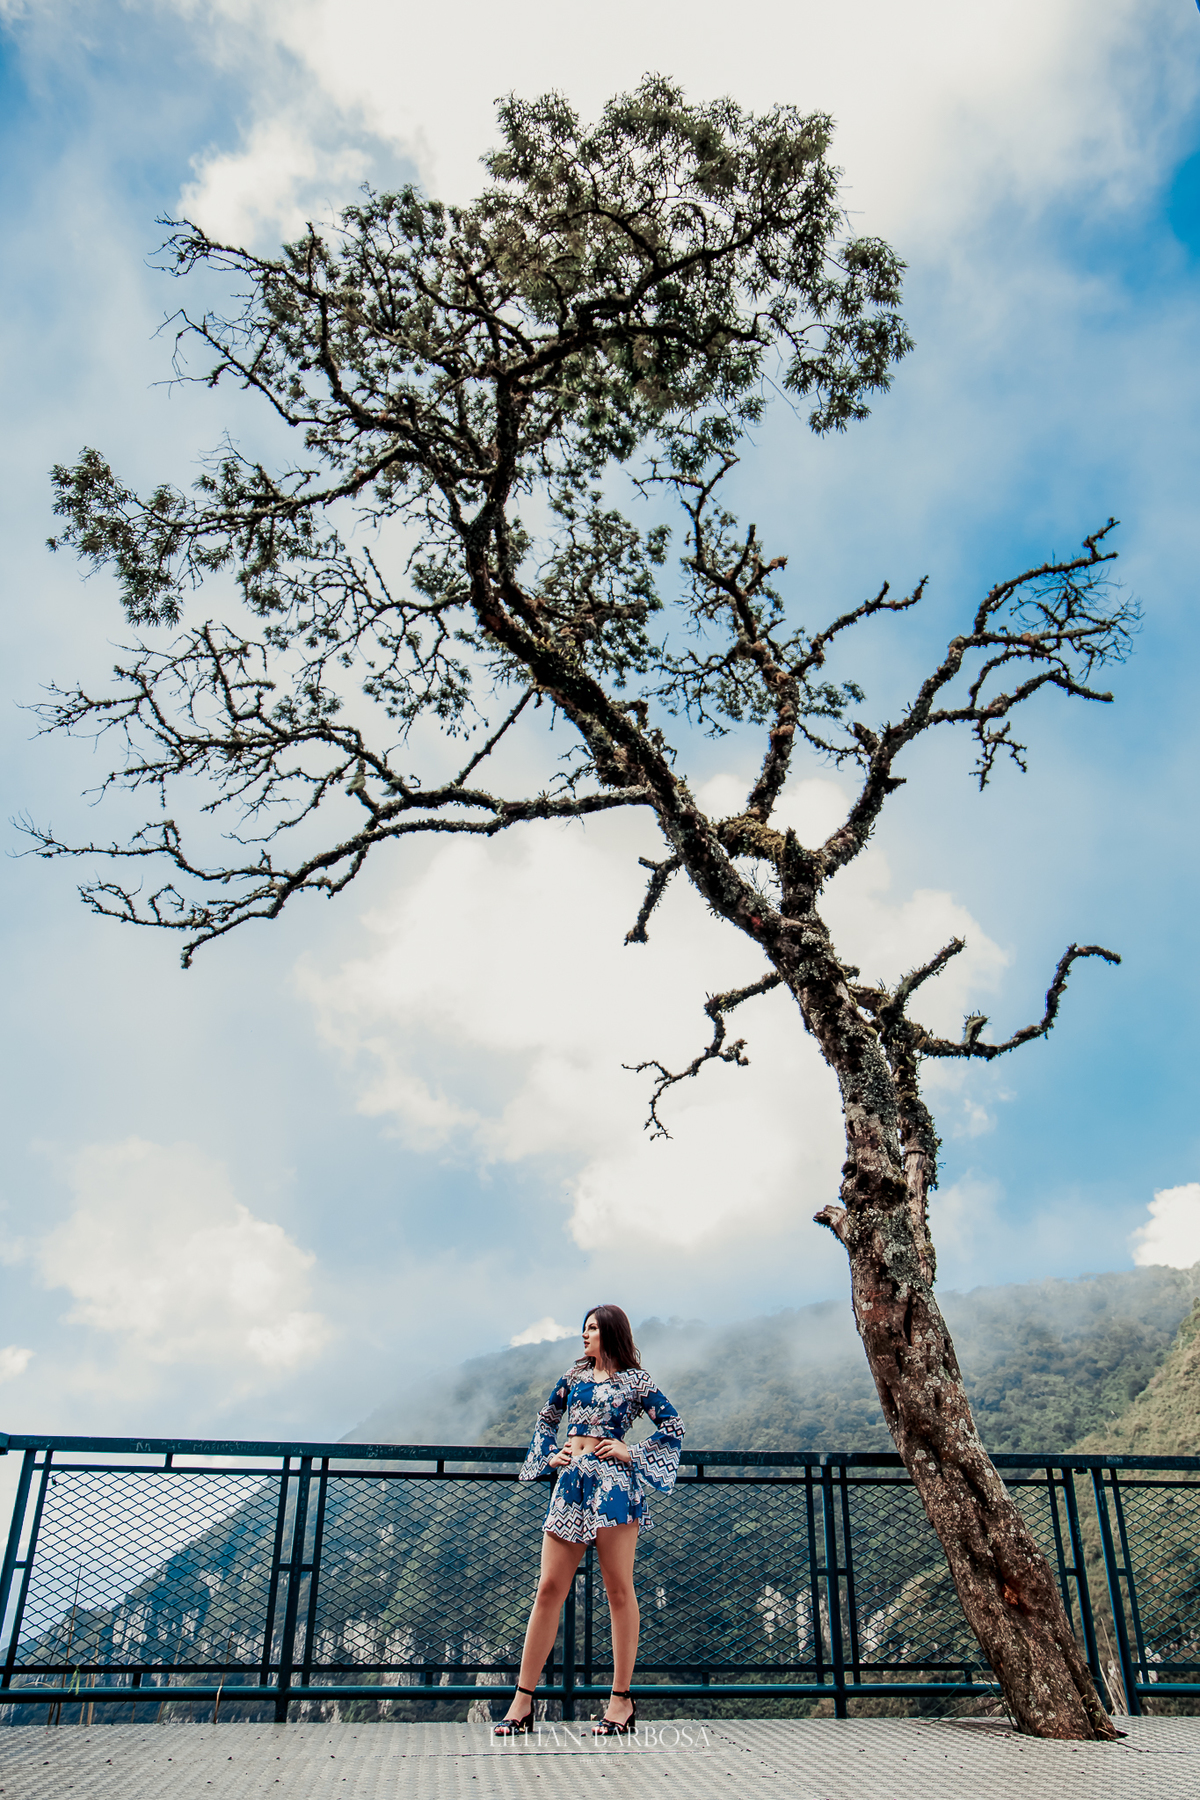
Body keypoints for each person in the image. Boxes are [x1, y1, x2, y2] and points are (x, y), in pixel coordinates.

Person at [494, 1304, 684, 1738]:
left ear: (611, 1332)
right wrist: (548, 1455)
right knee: (549, 1588)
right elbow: (546, 1420)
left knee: (619, 1590)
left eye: (593, 1329)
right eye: (584, 1329)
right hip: (571, 1484)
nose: (585, 1335)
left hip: (615, 1487)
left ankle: (621, 1702)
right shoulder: (573, 1376)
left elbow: (673, 1425)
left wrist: (630, 1452)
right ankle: (522, 1701)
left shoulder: (636, 1381)